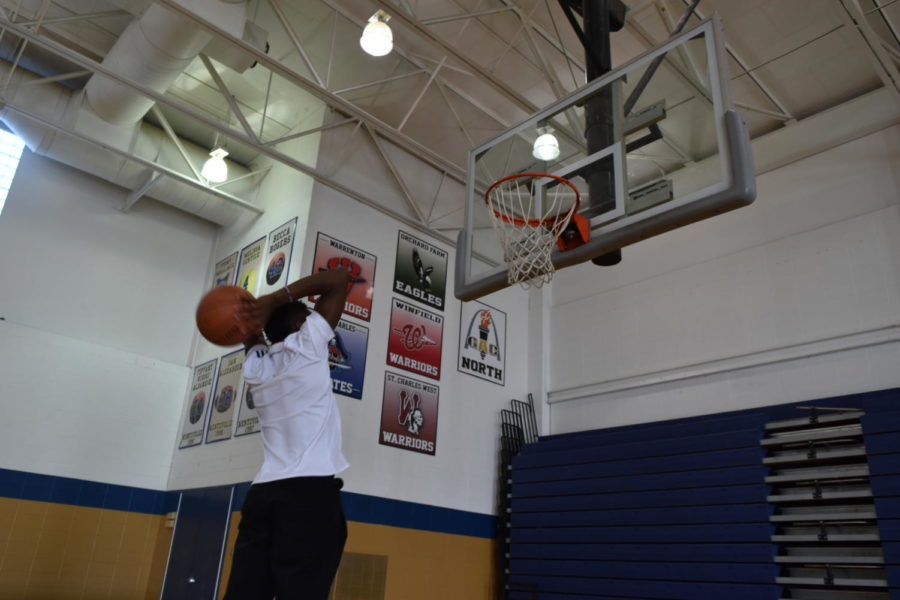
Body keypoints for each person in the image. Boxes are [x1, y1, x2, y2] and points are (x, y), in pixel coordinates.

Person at [223, 267, 351, 600]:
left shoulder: (257, 368)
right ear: (299, 326)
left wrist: (249, 316)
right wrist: (273, 299)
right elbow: (338, 279)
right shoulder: (306, 348)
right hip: (307, 495)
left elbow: (252, 338)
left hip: (263, 495)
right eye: (308, 317)